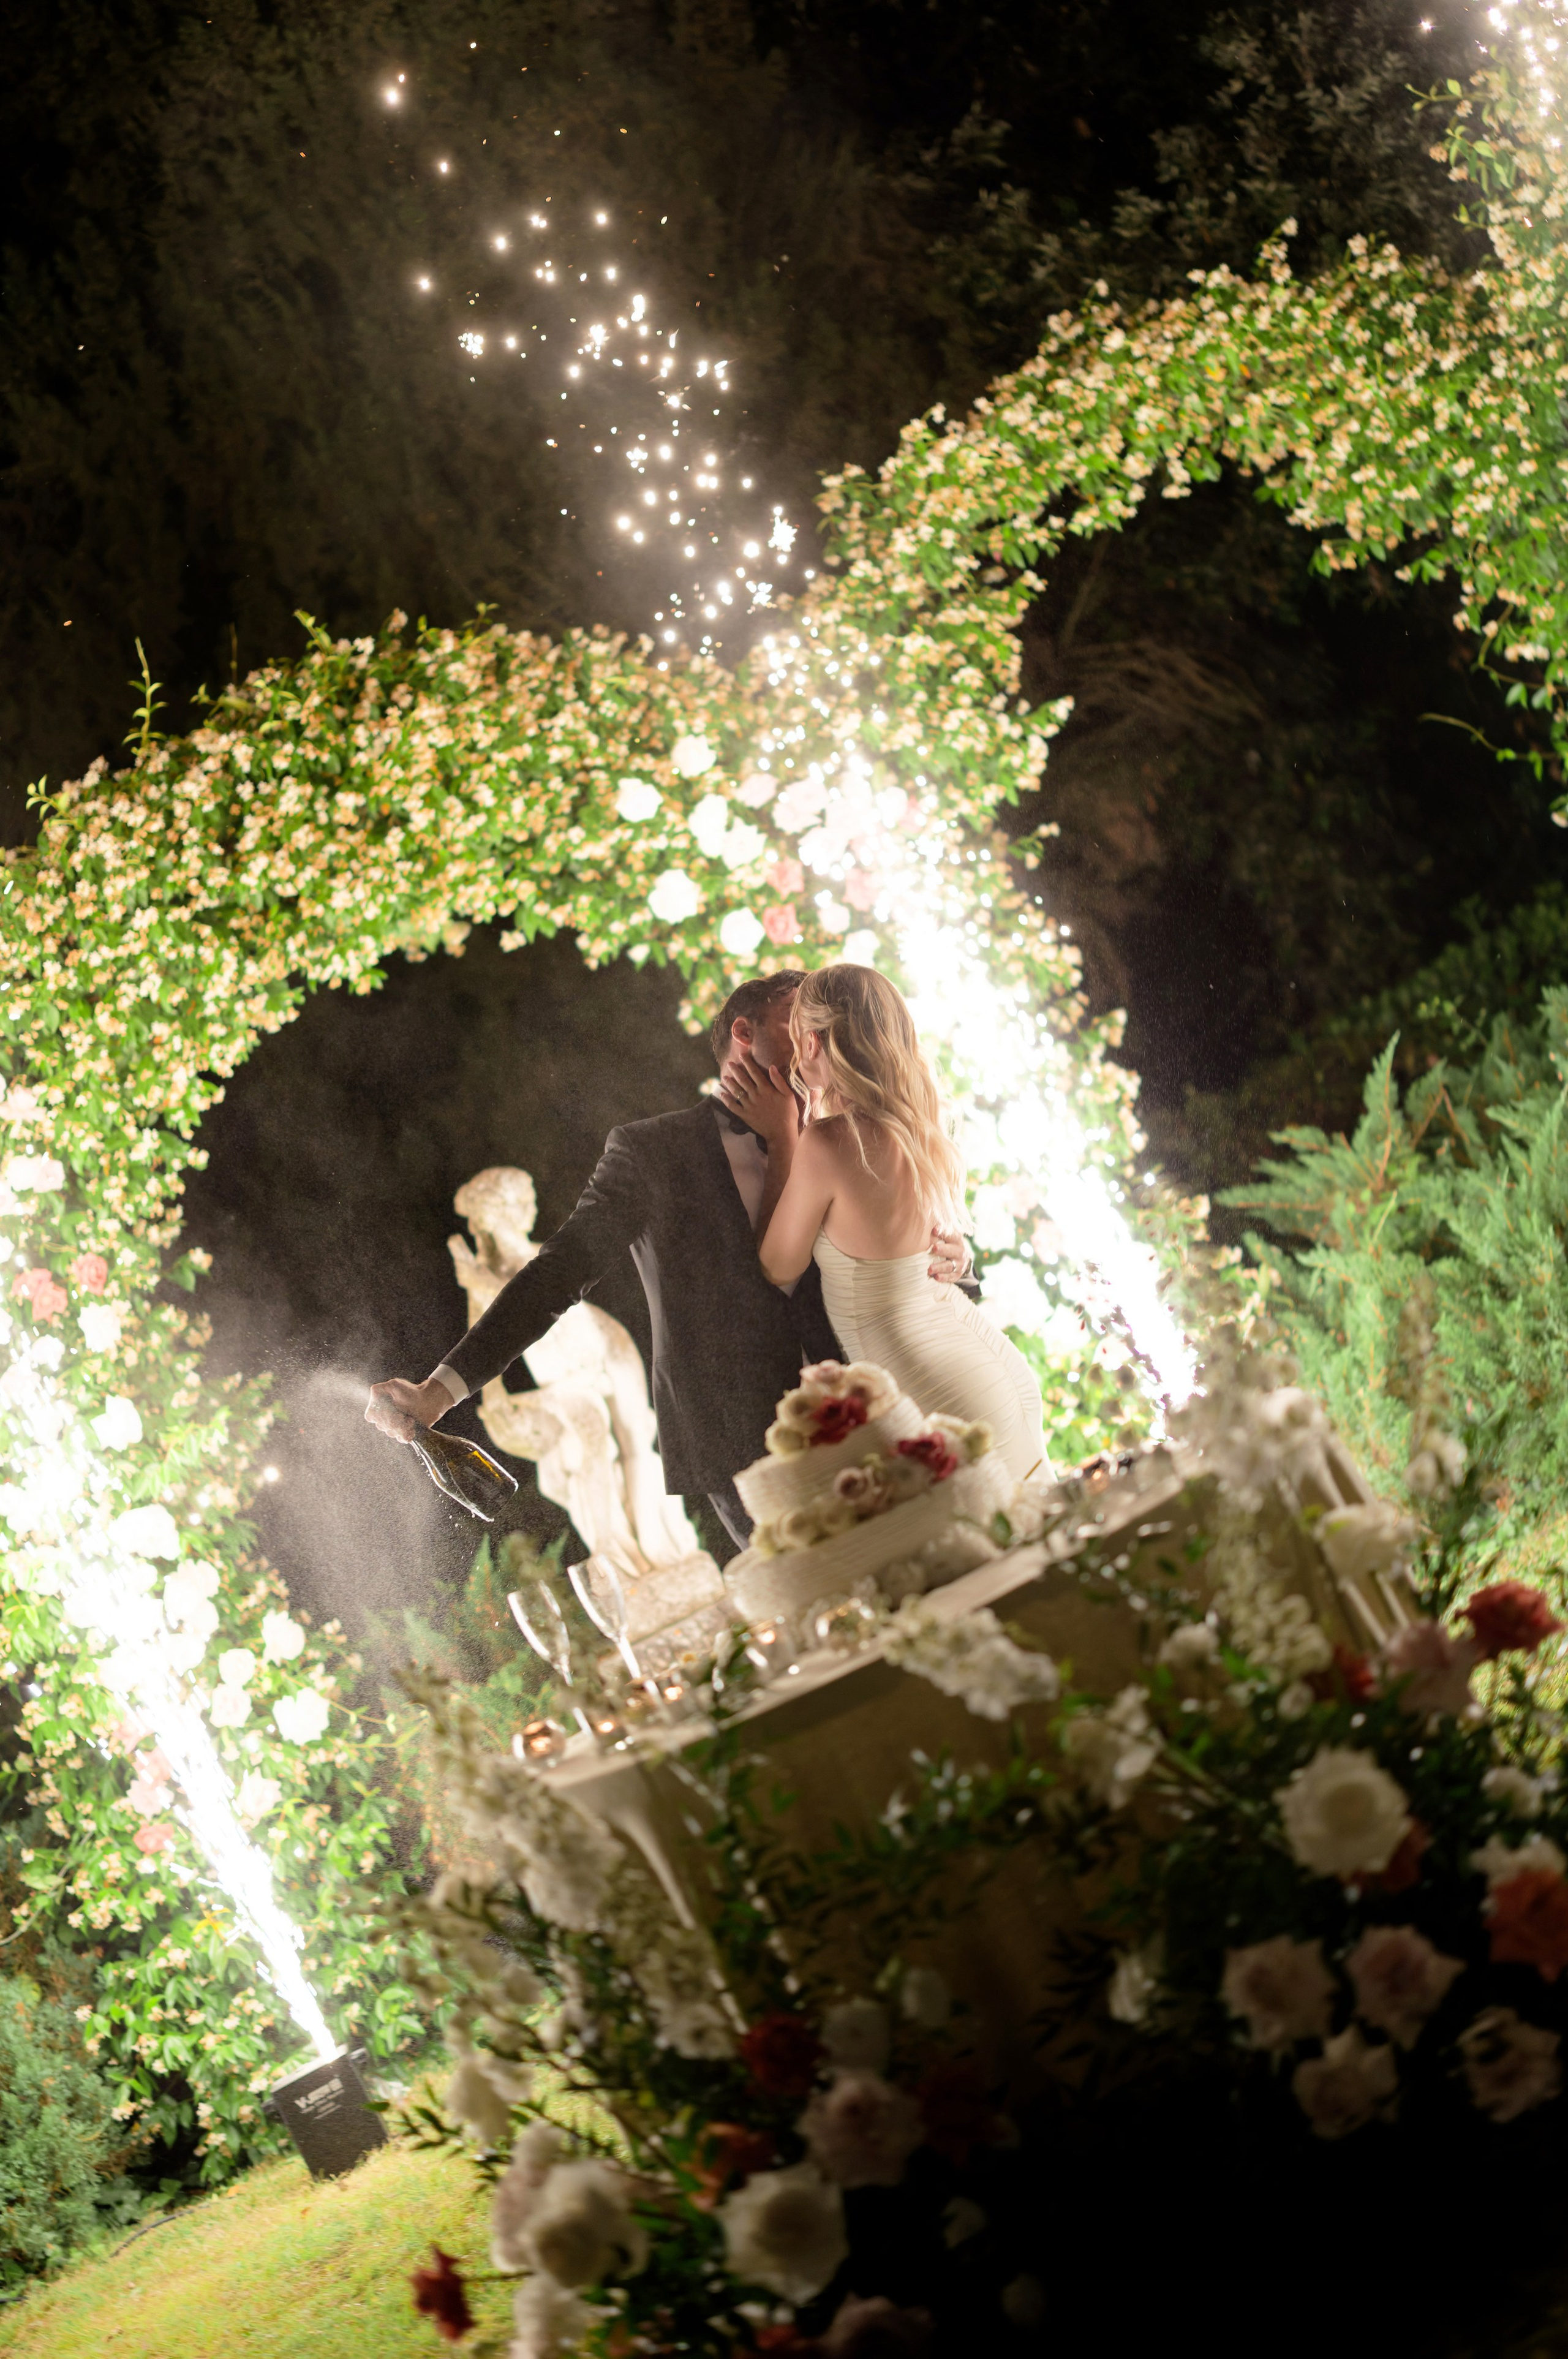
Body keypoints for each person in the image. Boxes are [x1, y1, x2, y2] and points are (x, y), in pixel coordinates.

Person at [364, 970, 971, 1546]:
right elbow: (558, 1272)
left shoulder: (854, 1131)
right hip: (747, 1442)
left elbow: (922, 1245)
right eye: (800, 1015)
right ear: (744, 1032)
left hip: (885, 1407)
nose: (819, 1032)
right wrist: (439, 1392)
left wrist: (962, 1265)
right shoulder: (650, 1152)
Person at [717, 962, 1047, 1482]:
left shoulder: (825, 1143)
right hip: (984, 1359)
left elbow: (777, 1266)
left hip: (936, 1379)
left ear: (814, 1042)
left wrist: (785, 1139)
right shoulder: (915, 1123)